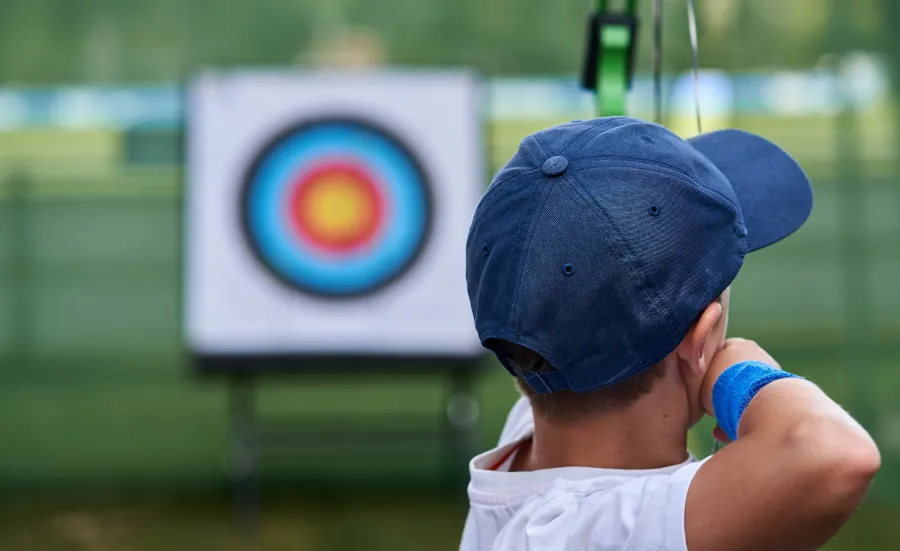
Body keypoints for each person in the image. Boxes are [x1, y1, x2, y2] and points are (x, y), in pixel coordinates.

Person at [461, 117, 880, 551]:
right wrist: (740, 378)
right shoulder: (594, 530)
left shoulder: (534, 432)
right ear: (700, 340)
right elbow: (837, 455)